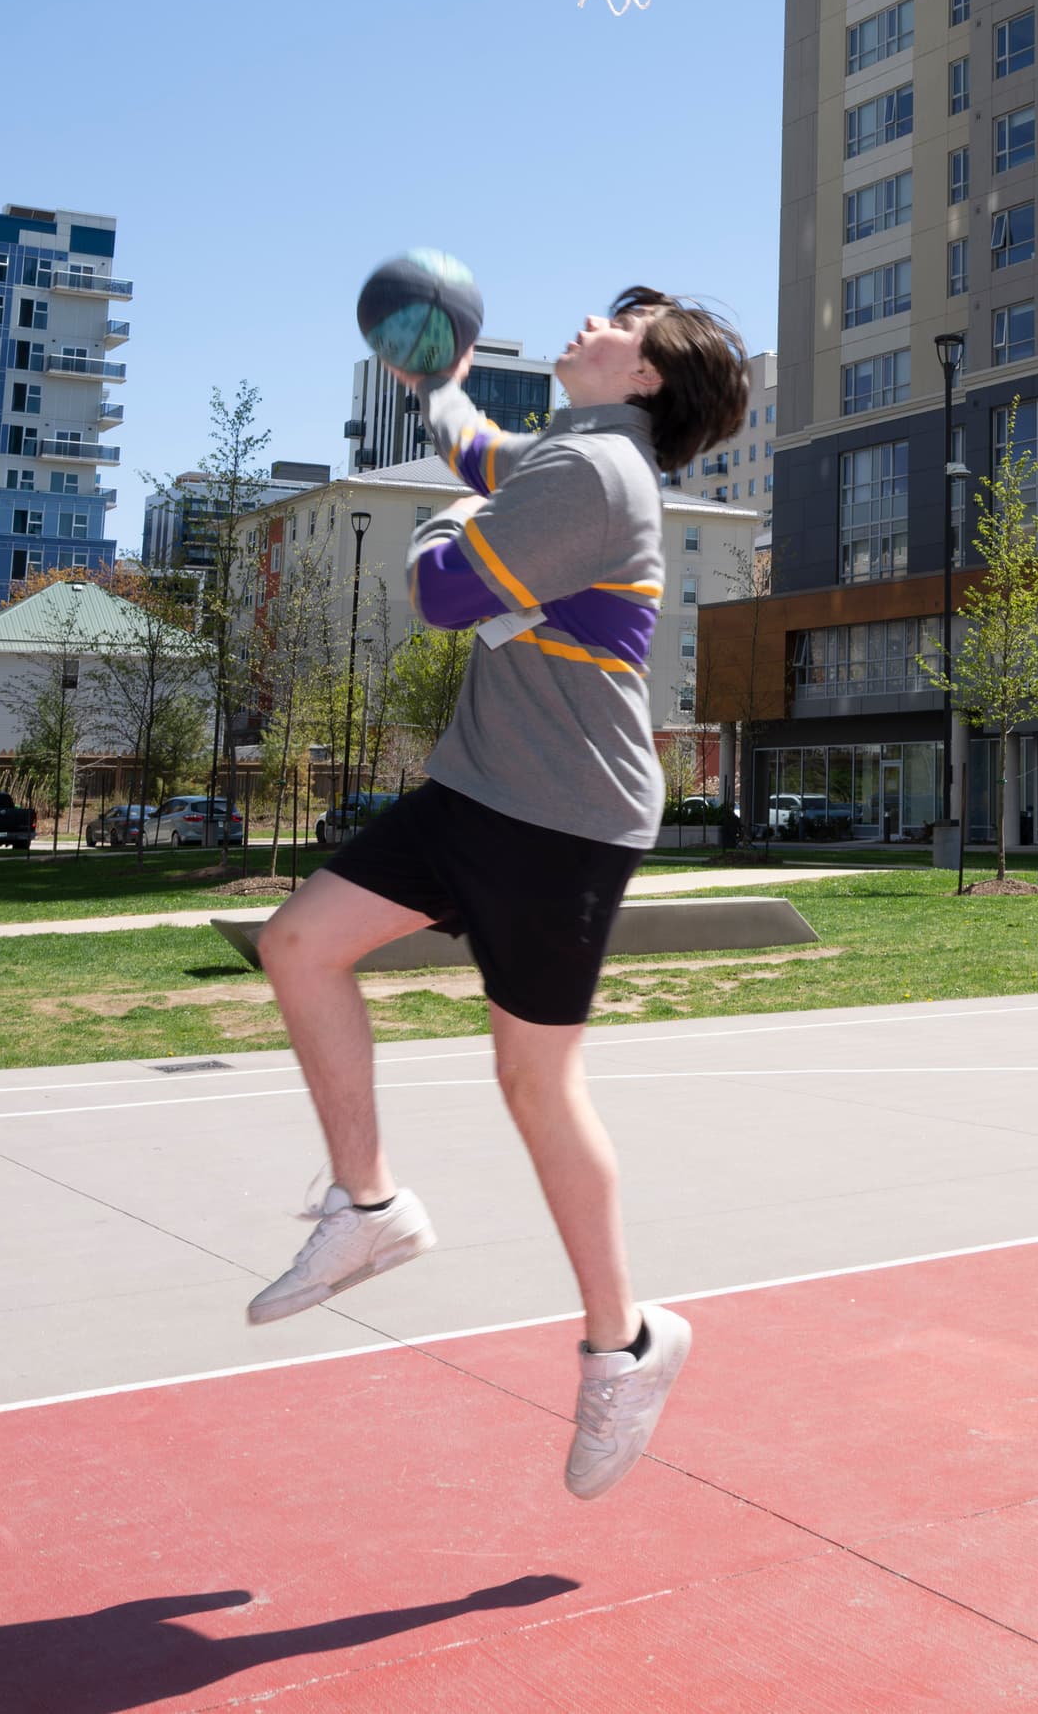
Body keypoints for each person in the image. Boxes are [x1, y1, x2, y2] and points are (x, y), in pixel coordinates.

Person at [245, 286, 752, 1501]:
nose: (590, 323)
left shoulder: (597, 475)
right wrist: (439, 383)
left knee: (536, 1079)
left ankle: (625, 1342)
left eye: (621, 321)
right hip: (480, 784)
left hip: (561, 813)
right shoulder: (571, 453)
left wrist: (453, 523)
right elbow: (479, 450)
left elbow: (444, 592)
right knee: (299, 944)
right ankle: (369, 1204)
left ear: (647, 375)